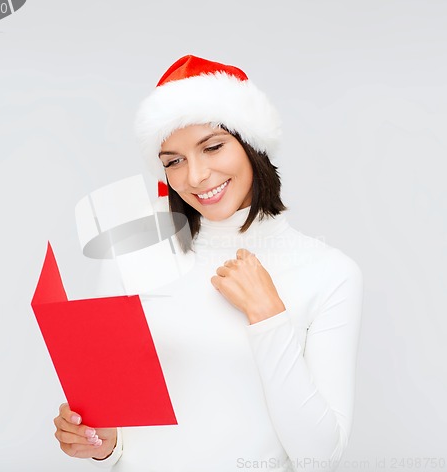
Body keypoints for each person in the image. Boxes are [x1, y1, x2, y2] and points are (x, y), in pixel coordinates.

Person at [53, 55, 364, 471]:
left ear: (253, 144)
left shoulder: (328, 272)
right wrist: (102, 443)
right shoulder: (131, 254)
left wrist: (268, 316)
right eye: (173, 160)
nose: (196, 176)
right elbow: (117, 434)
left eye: (213, 147)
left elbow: (318, 456)